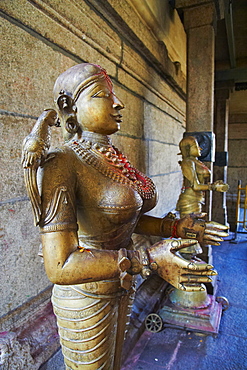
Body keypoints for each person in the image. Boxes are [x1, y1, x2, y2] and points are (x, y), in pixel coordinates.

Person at [22, 64, 228, 370]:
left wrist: (175, 227)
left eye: (115, 95)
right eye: (103, 95)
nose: (118, 103)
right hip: (85, 298)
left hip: (121, 285)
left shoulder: (115, 158)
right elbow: (59, 265)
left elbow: (121, 219)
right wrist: (150, 260)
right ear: (70, 107)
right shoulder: (61, 163)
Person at [176, 136, 229, 219]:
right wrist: (213, 187)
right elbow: (195, 186)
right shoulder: (187, 163)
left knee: (195, 226)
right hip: (190, 199)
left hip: (197, 198)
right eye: (196, 146)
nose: (200, 149)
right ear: (188, 149)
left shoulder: (196, 161)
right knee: (190, 226)